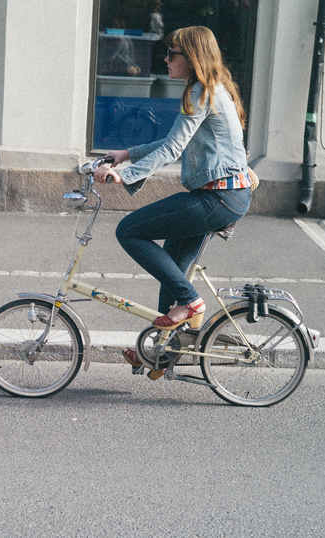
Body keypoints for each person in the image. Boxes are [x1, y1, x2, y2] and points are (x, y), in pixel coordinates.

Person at [93, 26, 252, 369]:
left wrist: (125, 175)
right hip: (226, 195)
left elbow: (173, 148)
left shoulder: (201, 92)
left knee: (129, 231)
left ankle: (192, 304)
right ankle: (160, 354)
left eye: (171, 54)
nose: (165, 60)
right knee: (173, 270)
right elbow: (176, 141)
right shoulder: (210, 89)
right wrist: (126, 154)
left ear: (192, 58)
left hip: (219, 198)